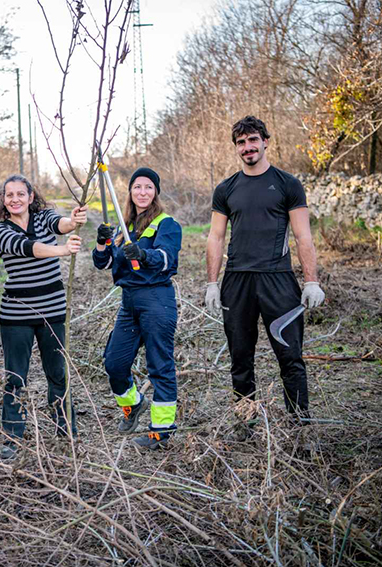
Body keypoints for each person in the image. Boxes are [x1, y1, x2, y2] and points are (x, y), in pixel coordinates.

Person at [205, 116, 325, 430]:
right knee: (240, 358)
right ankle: (246, 425)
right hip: (237, 281)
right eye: (241, 142)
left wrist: (311, 280)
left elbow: (303, 236)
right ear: (236, 148)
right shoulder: (226, 188)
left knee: (290, 357)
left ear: (265, 141)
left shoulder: (287, 184)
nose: (248, 147)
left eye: (253, 140)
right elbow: (216, 237)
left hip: (278, 281)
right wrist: (212, 284)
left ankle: (300, 428)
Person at [0, 174, 86, 459]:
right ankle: (13, 437)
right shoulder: (0, 230)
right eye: (10, 195)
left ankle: (66, 429)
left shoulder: (44, 217)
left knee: (57, 373)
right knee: (15, 376)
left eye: (21, 194)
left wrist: (74, 221)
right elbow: (28, 248)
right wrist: (62, 250)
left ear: (31, 197)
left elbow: (63, 224)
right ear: (4, 200)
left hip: (53, 311)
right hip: (16, 314)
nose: (16, 199)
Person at [92, 167, 182, 450]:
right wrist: (102, 242)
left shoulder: (167, 224)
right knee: (114, 363)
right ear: (130, 192)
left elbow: (168, 259)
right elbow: (103, 263)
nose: (142, 192)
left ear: (155, 192)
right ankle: (133, 404)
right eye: (137, 187)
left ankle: (161, 431)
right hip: (129, 302)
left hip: (157, 300)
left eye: (148, 187)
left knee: (160, 365)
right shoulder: (122, 226)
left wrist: (144, 254)